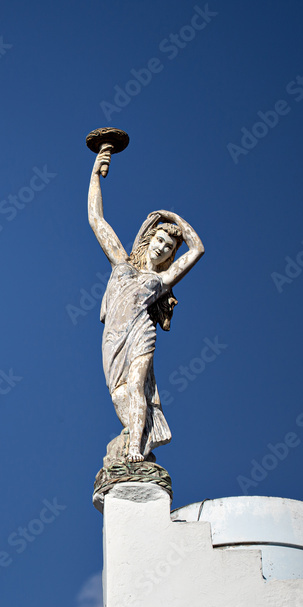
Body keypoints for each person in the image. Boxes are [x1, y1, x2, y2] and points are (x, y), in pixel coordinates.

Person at [87, 144, 204, 463]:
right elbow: (96, 219)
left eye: (169, 247)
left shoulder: (161, 281)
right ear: (149, 239)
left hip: (141, 332)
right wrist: (96, 172)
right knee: (119, 393)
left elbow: (197, 250)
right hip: (114, 336)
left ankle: (137, 448)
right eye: (160, 240)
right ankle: (137, 435)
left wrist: (172, 217)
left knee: (137, 384)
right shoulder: (121, 264)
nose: (163, 248)